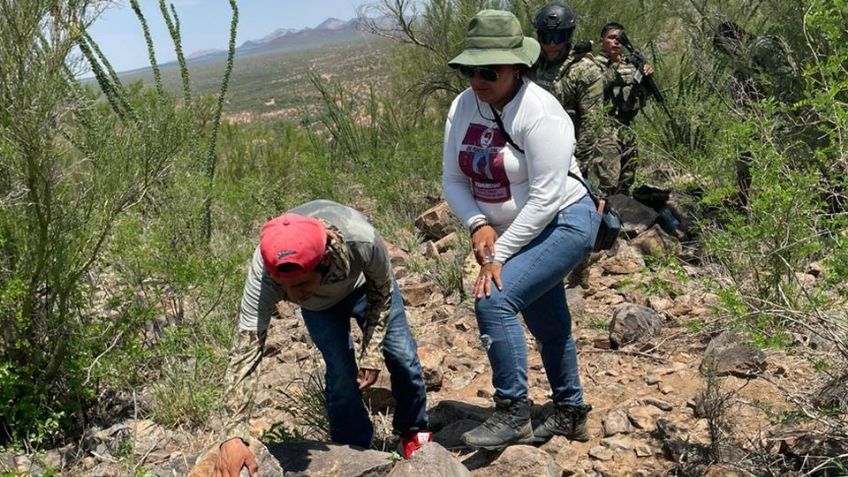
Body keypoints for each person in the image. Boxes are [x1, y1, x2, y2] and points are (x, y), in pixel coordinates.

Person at [442, 9, 599, 450]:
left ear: (516, 67)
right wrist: (477, 224)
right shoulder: (463, 106)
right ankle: (570, 413)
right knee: (548, 322)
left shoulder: (542, 113)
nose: (478, 80)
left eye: (489, 71)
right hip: (511, 227)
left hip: (564, 220)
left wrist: (498, 255)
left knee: (494, 300)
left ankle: (513, 412)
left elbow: (547, 198)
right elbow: (453, 179)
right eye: (471, 70)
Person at [213, 200, 430, 477]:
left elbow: (383, 291)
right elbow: (246, 353)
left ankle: (413, 431)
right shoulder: (264, 272)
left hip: (366, 287)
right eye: (284, 288)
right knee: (340, 373)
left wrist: (372, 351)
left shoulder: (360, 238)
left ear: (324, 260)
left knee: (401, 356)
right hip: (320, 309)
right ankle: (353, 452)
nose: (293, 295)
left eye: (301, 283)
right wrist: (233, 435)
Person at [532, 2, 618, 194]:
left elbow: (591, 123)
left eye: (558, 37)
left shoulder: (584, 70)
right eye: (546, 37)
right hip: (534, 152)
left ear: (568, 36)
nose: (551, 44)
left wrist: (575, 168)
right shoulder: (533, 65)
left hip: (570, 157)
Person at [713, 21, 801, 207]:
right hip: (760, 114)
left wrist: (773, 110)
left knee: (785, 157)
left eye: (728, 49)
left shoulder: (763, 47)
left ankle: (792, 202)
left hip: (783, 112)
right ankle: (742, 201)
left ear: (739, 36)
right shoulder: (744, 60)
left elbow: (786, 80)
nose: (729, 55)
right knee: (742, 149)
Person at [597, 22, 655, 195]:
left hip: (627, 126)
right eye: (611, 38)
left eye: (620, 39)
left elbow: (640, 97)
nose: (616, 42)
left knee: (627, 177)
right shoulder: (594, 64)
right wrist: (615, 66)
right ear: (601, 41)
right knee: (608, 180)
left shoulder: (630, 64)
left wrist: (645, 77)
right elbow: (596, 88)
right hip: (605, 126)